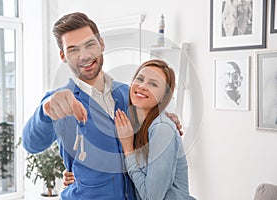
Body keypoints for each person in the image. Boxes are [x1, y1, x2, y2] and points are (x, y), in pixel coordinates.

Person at [22, 12, 183, 200]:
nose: (84, 56)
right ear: (63, 56)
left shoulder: (128, 94)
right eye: (73, 49)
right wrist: (44, 112)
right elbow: (31, 143)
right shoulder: (60, 102)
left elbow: (148, 131)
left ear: (101, 44)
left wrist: (164, 118)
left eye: (90, 44)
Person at [115, 59, 196, 200]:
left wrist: (128, 149)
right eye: (139, 79)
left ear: (164, 96)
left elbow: (151, 197)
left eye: (153, 84)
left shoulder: (162, 129)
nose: (142, 86)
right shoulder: (133, 126)